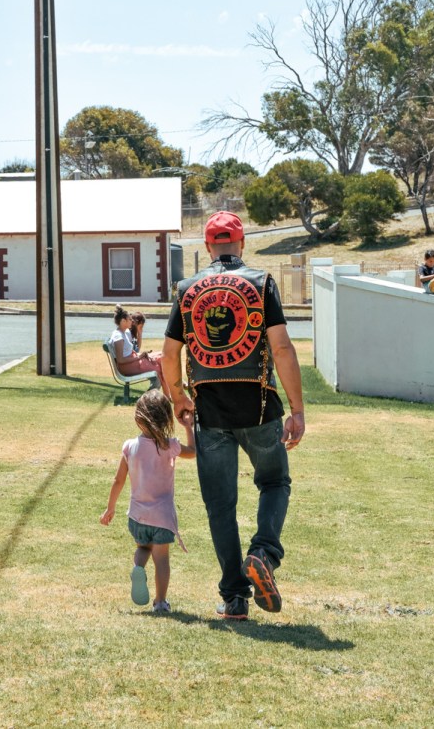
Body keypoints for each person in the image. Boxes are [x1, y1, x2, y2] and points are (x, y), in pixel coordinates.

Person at [162, 210, 305, 621]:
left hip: (209, 412)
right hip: (259, 407)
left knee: (220, 505)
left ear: (208, 246)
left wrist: (178, 398)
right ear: (242, 244)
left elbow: (170, 354)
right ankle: (263, 553)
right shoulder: (261, 283)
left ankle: (235, 597)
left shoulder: (187, 290)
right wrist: (297, 410)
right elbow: (281, 348)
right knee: (274, 482)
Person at [99, 390, 196, 612]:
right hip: (162, 517)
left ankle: (138, 567)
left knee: (144, 548)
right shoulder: (169, 445)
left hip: (137, 516)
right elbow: (193, 451)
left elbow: (118, 480)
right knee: (161, 559)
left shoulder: (129, 446)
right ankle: (160, 602)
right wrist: (188, 427)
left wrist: (110, 508)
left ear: (139, 417)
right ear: (166, 419)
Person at [109, 305, 167, 394]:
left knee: (161, 356)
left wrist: (140, 355)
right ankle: (160, 396)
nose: (132, 321)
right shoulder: (118, 336)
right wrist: (139, 357)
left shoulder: (125, 332)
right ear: (123, 321)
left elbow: (134, 349)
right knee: (158, 368)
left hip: (132, 361)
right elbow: (120, 360)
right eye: (129, 319)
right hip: (126, 367)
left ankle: (168, 394)